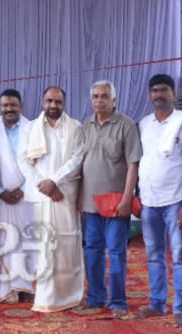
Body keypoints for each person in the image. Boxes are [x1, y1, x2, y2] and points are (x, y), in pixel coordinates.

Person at [63, 80, 142, 315]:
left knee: (116, 252)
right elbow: (79, 163)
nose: (99, 100)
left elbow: (133, 165)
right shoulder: (85, 125)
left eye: (104, 96)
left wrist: (127, 198)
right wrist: (79, 197)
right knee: (92, 250)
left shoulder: (125, 125)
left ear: (113, 100)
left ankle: (117, 301)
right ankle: (95, 297)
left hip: (117, 204)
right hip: (90, 204)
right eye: (95, 96)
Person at [135, 74, 182, 324]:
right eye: (154, 90)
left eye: (163, 90)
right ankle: (156, 303)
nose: (158, 95)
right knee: (153, 254)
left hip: (176, 201)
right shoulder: (144, 123)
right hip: (149, 200)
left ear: (173, 93)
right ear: (149, 94)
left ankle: (180, 308)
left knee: (180, 255)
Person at [18, 86, 84, 312]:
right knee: (44, 247)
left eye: (57, 101)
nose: (53, 105)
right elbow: (23, 161)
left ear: (64, 103)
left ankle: (69, 296)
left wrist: (54, 181)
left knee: (66, 246)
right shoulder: (29, 129)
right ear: (42, 101)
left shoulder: (75, 127)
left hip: (64, 195)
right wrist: (45, 185)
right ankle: (45, 297)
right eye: (49, 101)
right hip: (41, 196)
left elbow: (77, 158)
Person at [0, 89, 34, 303]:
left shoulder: (33, 129)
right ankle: (7, 289)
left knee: (28, 241)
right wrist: (0, 192)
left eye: (13, 105)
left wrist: (24, 189)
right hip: (2, 198)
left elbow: (38, 164)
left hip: (27, 196)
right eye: (5, 105)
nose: (9, 109)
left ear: (20, 106)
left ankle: (27, 287)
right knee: (7, 242)